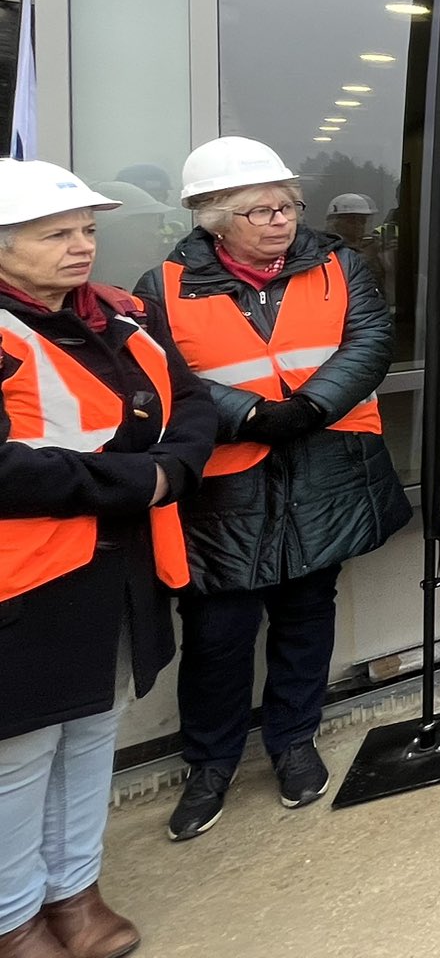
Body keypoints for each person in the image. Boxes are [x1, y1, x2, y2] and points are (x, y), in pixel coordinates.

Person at [135, 137, 409, 839]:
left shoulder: (337, 263)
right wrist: (252, 414)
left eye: (287, 206)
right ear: (215, 217)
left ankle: (293, 742)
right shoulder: (161, 287)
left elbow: (370, 339)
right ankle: (211, 764)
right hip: (225, 484)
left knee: (306, 611)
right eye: (261, 210)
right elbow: (165, 378)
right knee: (218, 630)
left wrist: (311, 407)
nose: (281, 220)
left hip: (323, 465)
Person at [0, 161, 213, 958]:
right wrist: (143, 478)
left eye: (87, 230)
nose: (80, 245)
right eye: (55, 233)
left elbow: (186, 401)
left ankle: (75, 894)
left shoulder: (120, 314)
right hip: (24, 581)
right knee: (19, 758)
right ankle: (14, 921)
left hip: (117, 569)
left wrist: (179, 465)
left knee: (91, 733)